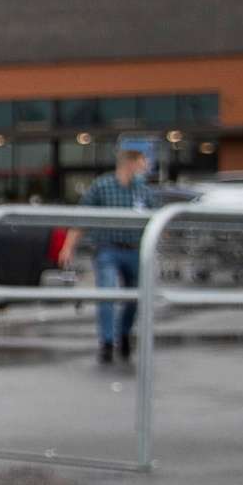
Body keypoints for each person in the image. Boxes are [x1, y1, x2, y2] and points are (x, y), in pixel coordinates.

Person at [72, 145, 155, 365]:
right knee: (107, 294)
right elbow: (83, 216)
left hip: (135, 250)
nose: (145, 166)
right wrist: (68, 246)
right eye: (142, 161)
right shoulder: (102, 186)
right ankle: (107, 342)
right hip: (108, 247)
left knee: (135, 298)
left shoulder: (143, 190)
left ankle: (124, 333)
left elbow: (156, 219)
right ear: (131, 162)